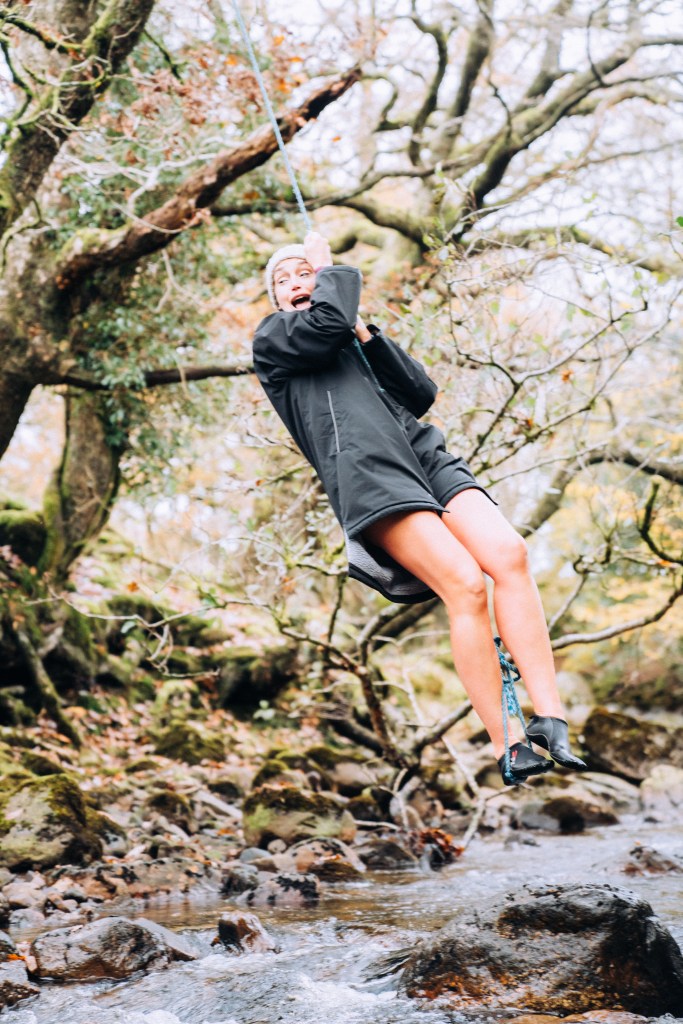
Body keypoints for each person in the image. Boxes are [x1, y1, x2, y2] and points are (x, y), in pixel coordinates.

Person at [252, 231, 586, 784]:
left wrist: (363, 329)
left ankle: (550, 717)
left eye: (303, 273)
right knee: (466, 586)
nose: (295, 283)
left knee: (510, 554)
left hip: (423, 455)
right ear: (277, 300)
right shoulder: (276, 339)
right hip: (369, 475)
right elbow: (326, 324)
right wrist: (329, 272)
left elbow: (420, 392)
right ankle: (509, 743)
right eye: (283, 280)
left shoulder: (345, 334)